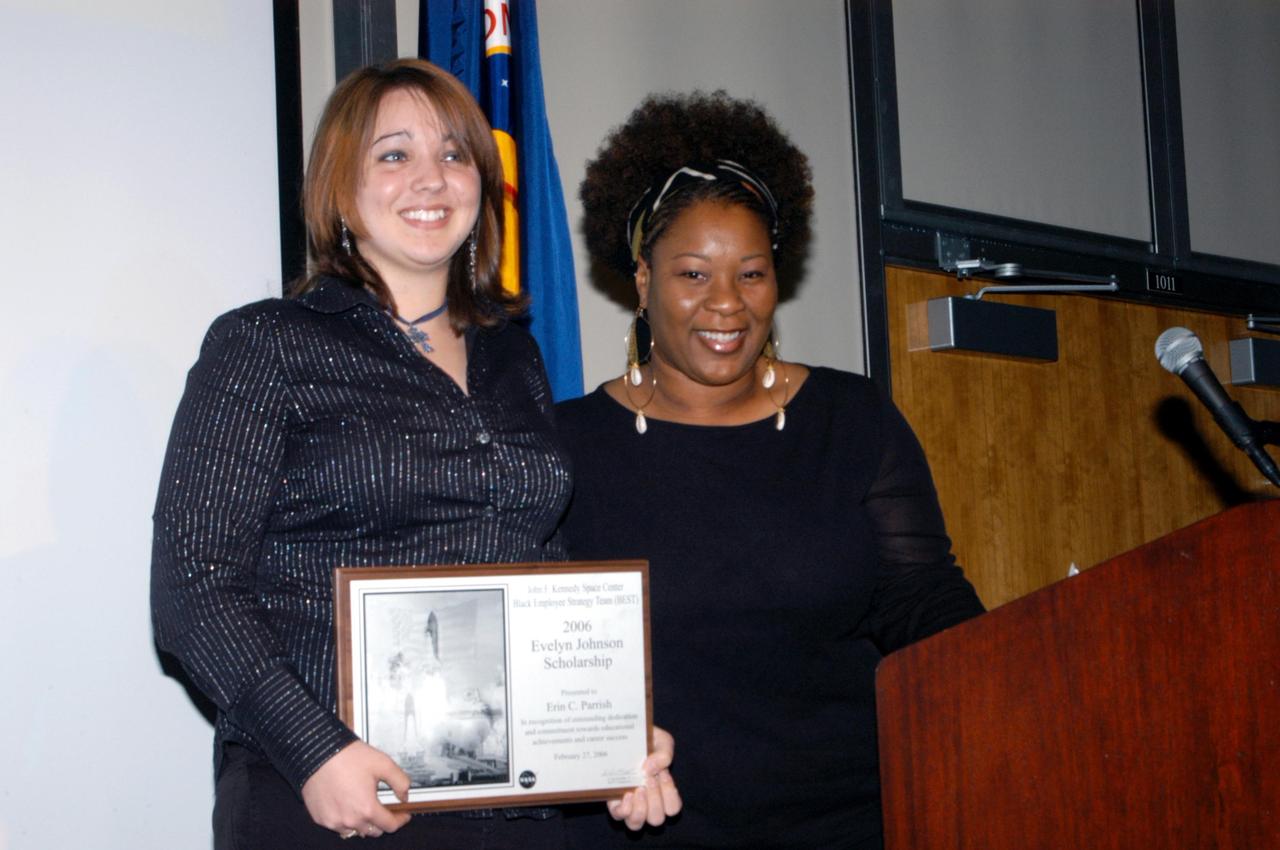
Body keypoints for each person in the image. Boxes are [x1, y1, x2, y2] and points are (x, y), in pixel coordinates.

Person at [151, 58, 677, 849]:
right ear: (341, 183)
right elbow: (194, 585)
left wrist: (609, 732)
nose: (431, 179)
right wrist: (314, 751)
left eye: (454, 154)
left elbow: (537, 569)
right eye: (394, 154)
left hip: (516, 807)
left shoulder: (514, 358)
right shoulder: (265, 344)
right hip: (331, 803)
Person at [556, 92, 985, 850]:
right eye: (693, 274)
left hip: (848, 824)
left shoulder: (851, 420)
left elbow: (923, 602)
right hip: (644, 831)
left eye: (751, 274)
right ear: (643, 277)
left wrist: (1021, 669)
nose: (727, 305)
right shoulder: (565, 447)